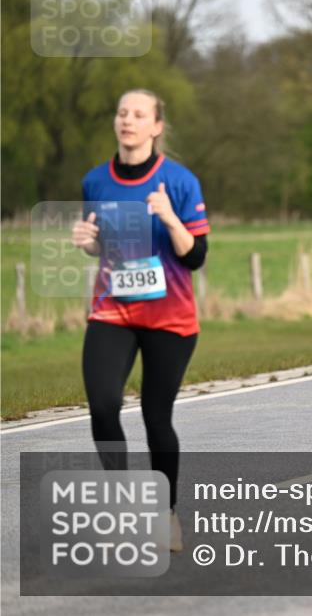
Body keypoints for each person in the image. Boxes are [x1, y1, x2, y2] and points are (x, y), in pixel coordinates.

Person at [71, 89, 210, 553]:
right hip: (113, 309)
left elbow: (197, 258)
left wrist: (172, 219)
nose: (127, 120)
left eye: (138, 114)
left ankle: (166, 513)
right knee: (104, 405)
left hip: (169, 318)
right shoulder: (95, 181)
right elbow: (100, 245)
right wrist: (87, 241)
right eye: (122, 112)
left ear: (156, 127)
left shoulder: (181, 181)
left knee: (155, 418)